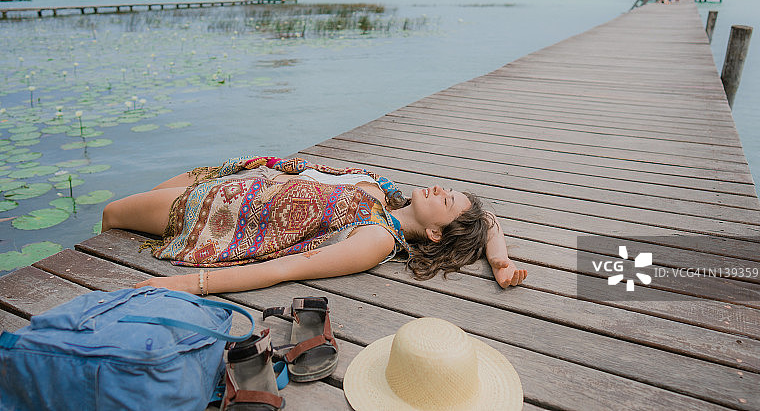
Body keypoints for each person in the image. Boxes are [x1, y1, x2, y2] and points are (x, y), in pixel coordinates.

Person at [102, 155, 528, 295]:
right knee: (130, 204)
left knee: (113, 215)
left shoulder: (378, 239)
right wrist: (500, 260)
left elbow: (286, 269)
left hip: (216, 211)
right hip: (234, 175)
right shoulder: (387, 194)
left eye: (446, 199)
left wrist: (185, 285)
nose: (438, 188)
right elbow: (487, 220)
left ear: (435, 233)